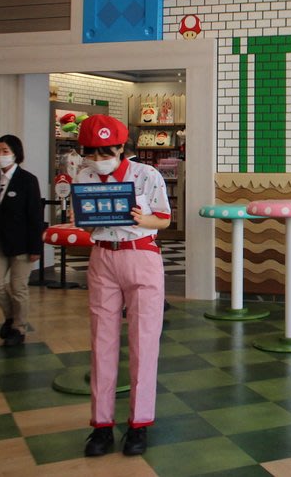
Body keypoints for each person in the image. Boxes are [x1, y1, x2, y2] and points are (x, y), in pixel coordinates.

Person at [75, 114, 170, 458]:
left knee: (144, 341)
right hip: (102, 257)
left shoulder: (147, 175)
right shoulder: (83, 175)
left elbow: (164, 217)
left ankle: (138, 425)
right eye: (92, 151)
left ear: (120, 147)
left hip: (141, 256)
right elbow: (86, 223)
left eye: (105, 151)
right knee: (101, 341)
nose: (99, 158)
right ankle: (101, 426)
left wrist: (139, 218)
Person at [0, 135, 44, 347]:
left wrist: (36, 247)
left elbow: (35, 216)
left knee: (19, 288)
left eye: (5, 151)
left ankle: (19, 327)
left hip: (23, 244)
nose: (1, 156)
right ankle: (10, 315)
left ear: (16, 153)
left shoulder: (28, 180)